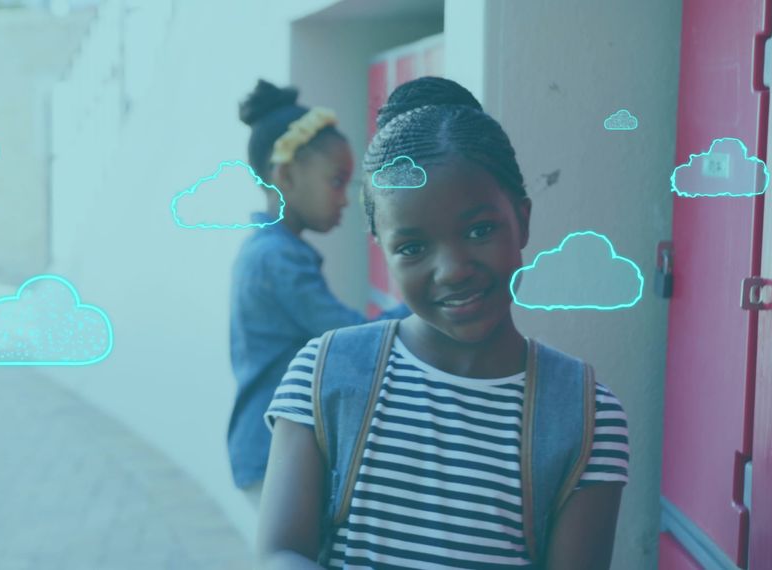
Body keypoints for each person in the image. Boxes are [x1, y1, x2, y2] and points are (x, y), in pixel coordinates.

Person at [257, 77, 630, 569]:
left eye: (480, 230)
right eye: (412, 247)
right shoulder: (325, 373)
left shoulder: (586, 416)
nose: (452, 269)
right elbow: (280, 553)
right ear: (381, 249)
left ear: (522, 219)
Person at [228, 79, 412, 508]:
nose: (347, 200)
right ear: (286, 176)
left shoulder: (270, 249)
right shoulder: (278, 260)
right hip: (272, 451)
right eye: (337, 181)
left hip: (267, 447)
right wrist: (422, 302)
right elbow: (349, 340)